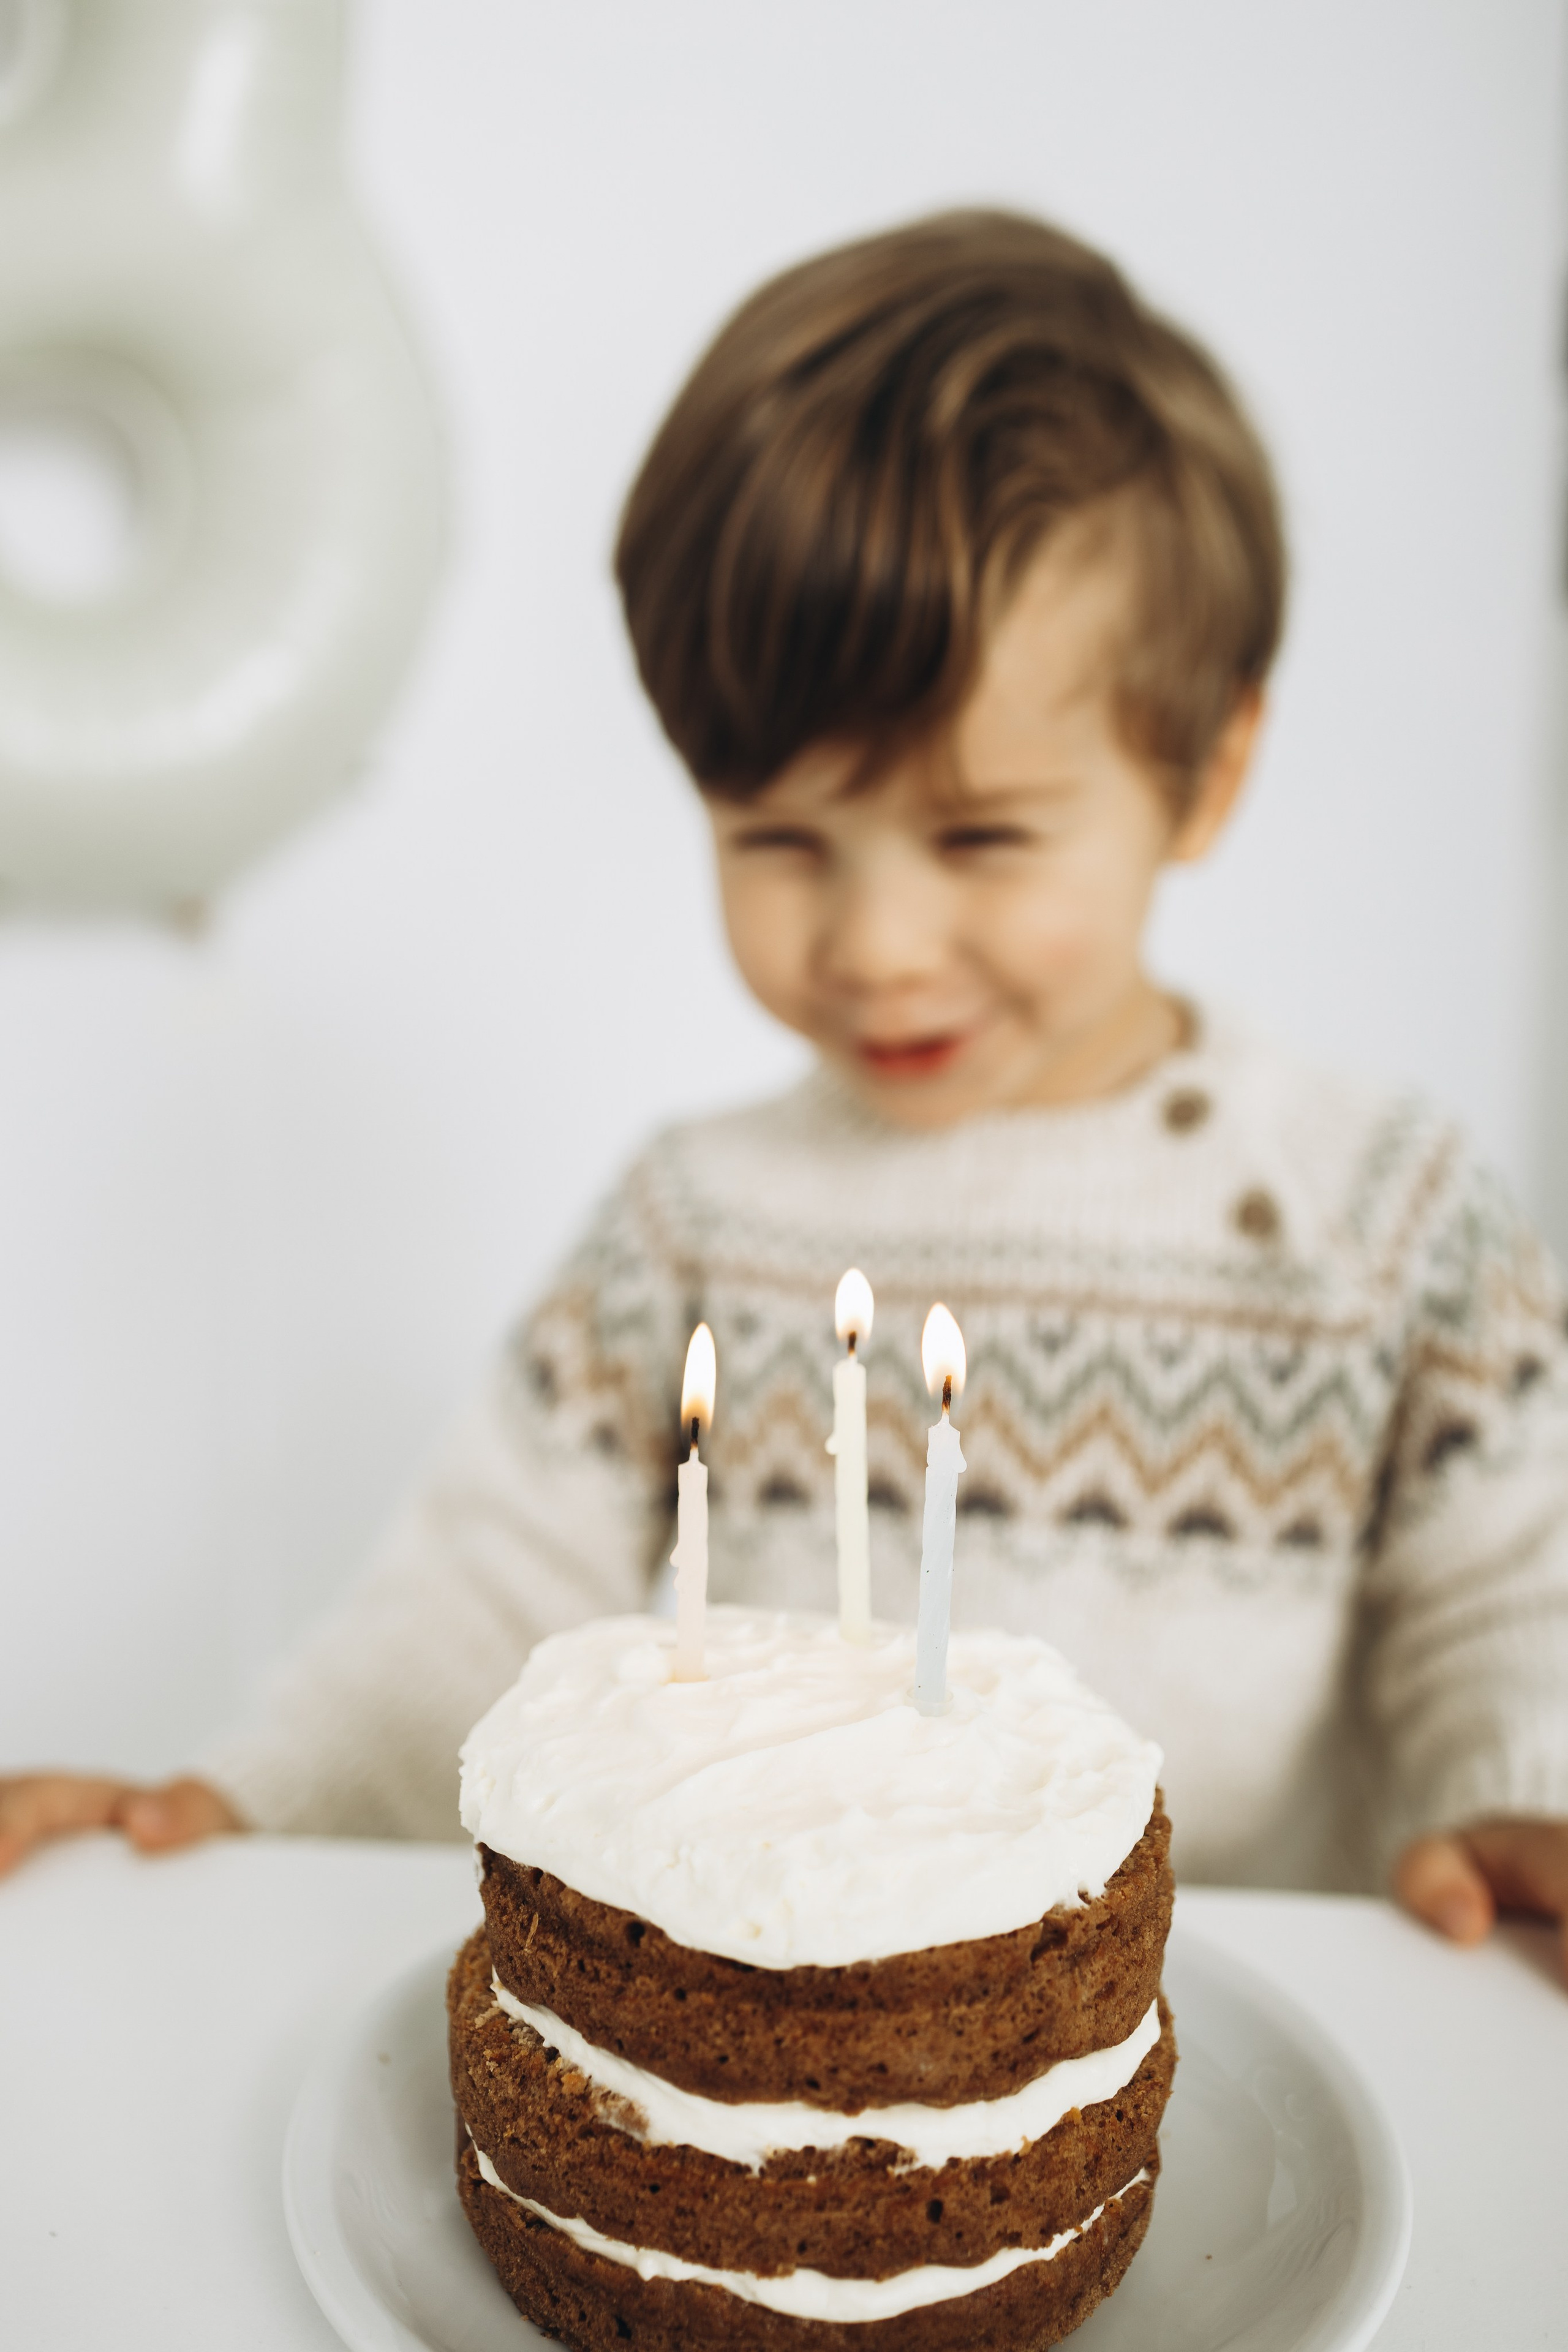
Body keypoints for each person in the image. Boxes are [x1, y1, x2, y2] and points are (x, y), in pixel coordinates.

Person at [4, 211, 1566, 1971]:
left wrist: (1528, 1795)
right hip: (775, 2085)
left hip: (1249, 2082)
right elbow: (468, 1608)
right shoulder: (697, 1223)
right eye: (780, 838)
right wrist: (242, 1812)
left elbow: (1521, 1592)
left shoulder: (1382, 1216)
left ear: (1207, 773)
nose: (880, 943)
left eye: (980, 836)